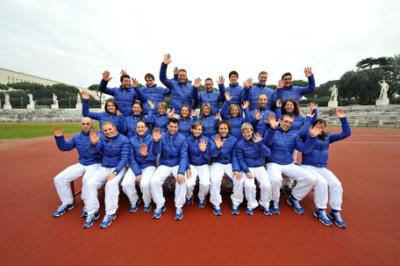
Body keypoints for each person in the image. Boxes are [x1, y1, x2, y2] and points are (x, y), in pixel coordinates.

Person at [300, 108, 351, 228]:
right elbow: (302, 133)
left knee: (336, 184)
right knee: (321, 183)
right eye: (318, 125)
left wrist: (343, 119)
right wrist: (309, 119)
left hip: (322, 167)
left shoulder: (327, 137)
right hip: (308, 166)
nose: (320, 128)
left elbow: (346, 133)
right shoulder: (307, 135)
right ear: (313, 126)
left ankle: (335, 211)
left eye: (322, 126)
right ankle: (320, 210)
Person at [264, 114, 320, 215]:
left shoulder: (294, 134)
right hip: (273, 163)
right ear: (280, 121)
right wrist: (272, 129)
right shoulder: (272, 131)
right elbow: (266, 143)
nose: (287, 124)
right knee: (276, 180)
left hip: (288, 163)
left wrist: (312, 137)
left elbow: (304, 149)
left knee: (310, 178)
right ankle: (275, 201)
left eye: (290, 123)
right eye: (285, 121)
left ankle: (294, 198)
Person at [83, 121, 129, 229]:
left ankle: (110, 213)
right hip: (104, 166)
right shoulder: (102, 138)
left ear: (115, 128)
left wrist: (115, 173)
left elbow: (124, 159)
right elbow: (95, 151)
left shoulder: (123, 140)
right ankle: (92, 212)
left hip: (118, 167)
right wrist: (94, 143)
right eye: (105, 130)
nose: (108, 132)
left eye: (110, 129)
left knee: (111, 184)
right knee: (90, 183)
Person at [52, 117, 102, 217]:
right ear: (81, 124)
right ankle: (68, 202)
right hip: (82, 163)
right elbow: (65, 147)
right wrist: (60, 138)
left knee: (87, 180)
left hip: (95, 164)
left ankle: (88, 205)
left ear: (92, 124)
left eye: (88, 124)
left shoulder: (99, 135)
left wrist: (95, 143)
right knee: (59, 178)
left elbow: (103, 151)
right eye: (83, 124)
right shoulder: (76, 137)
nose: (85, 126)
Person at [150, 118, 188, 221]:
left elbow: (183, 156)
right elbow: (156, 151)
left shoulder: (182, 138)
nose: (173, 128)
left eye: (175, 127)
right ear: (167, 126)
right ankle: (160, 204)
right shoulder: (162, 136)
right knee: (154, 181)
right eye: (171, 126)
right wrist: (156, 141)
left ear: (178, 127)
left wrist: (180, 172)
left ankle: (179, 206)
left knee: (181, 180)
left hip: (177, 164)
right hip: (165, 164)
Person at [235, 123, 273, 216]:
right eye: (244, 132)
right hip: (248, 167)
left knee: (266, 185)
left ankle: (264, 203)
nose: (246, 134)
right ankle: (251, 204)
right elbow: (240, 160)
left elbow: (268, 154)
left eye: (248, 131)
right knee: (249, 186)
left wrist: (260, 143)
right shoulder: (239, 144)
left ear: (252, 131)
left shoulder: (258, 139)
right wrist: (246, 171)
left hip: (259, 166)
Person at [121, 121, 157, 213]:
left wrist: (146, 155)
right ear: (136, 129)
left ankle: (147, 202)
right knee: (125, 184)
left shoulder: (151, 139)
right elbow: (131, 158)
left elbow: (154, 157)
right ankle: (135, 200)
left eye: (142, 127)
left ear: (146, 128)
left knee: (144, 184)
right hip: (136, 165)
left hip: (149, 165)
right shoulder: (131, 140)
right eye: (138, 127)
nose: (140, 129)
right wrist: (137, 173)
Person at [209, 120, 242, 216]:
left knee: (239, 179)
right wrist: (217, 148)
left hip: (230, 163)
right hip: (217, 162)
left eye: (225, 128)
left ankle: (236, 202)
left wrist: (236, 169)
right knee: (215, 180)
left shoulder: (234, 139)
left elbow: (235, 155)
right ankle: (216, 203)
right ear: (218, 129)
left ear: (228, 129)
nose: (223, 130)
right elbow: (212, 154)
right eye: (221, 128)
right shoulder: (213, 138)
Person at [185, 122, 211, 207]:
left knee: (205, 183)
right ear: (192, 129)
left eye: (199, 129)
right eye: (195, 129)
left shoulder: (206, 139)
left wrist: (203, 151)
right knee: (189, 183)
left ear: (202, 130)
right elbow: (185, 155)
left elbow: (208, 157)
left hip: (203, 164)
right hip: (192, 165)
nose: (197, 131)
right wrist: (187, 167)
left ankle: (201, 198)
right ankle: (189, 197)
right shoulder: (187, 139)